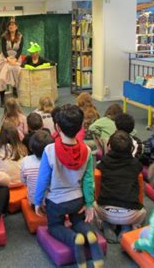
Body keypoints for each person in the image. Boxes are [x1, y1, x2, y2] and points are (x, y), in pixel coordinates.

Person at [35, 104, 104, 268]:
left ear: (57, 127)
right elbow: (88, 181)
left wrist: (37, 201)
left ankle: (74, 239)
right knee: (78, 221)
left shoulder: (49, 150)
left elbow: (42, 180)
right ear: (81, 127)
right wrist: (88, 204)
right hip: (77, 201)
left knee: (54, 226)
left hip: (56, 202)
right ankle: (88, 232)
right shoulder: (87, 150)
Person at [95, 131, 146, 243]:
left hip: (106, 213)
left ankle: (106, 225)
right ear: (131, 148)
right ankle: (126, 227)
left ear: (109, 146)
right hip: (130, 214)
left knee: (93, 205)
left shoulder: (104, 162)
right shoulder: (135, 164)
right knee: (143, 212)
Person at [0, 19, 23, 107]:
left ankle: (14, 89)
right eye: (10, 25)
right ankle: (2, 99)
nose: (11, 26)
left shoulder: (20, 36)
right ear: (8, 27)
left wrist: (15, 59)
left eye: (13, 25)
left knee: (16, 74)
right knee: (1, 78)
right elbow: (3, 49)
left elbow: (20, 49)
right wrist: (8, 59)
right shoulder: (4, 36)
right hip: (5, 58)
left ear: (16, 27)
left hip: (15, 59)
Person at [21, 130, 54, 206]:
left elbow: (24, 182)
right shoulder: (54, 161)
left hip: (34, 202)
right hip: (53, 203)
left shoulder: (25, 161)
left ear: (31, 147)